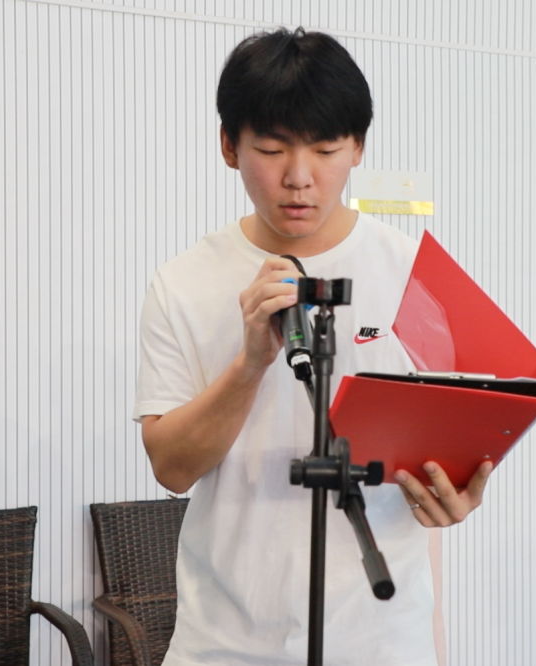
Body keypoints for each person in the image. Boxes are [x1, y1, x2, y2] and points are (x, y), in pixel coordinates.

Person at [133, 27, 493, 666]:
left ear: (357, 147)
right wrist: (251, 363)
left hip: (381, 642)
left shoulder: (416, 277)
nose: (298, 179)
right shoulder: (183, 283)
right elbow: (172, 469)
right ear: (228, 146)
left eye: (325, 150)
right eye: (271, 150)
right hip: (225, 644)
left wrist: (458, 489)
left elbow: (457, 435)